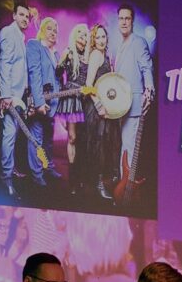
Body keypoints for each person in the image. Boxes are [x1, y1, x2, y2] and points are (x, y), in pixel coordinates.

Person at [114, 4, 155, 190]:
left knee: (129, 148)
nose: (124, 22)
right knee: (124, 146)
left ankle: (126, 192)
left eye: (127, 18)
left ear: (132, 21)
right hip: (120, 105)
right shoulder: (120, 46)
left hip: (135, 104)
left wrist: (149, 91)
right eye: (121, 18)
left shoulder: (138, 42)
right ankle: (123, 186)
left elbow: (147, 68)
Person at [84, 24, 121, 200]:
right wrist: (99, 105)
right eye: (97, 37)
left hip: (106, 108)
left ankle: (103, 180)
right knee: (98, 145)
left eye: (103, 37)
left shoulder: (106, 55)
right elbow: (88, 85)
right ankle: (98, 184)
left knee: (106, 144)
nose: (101, 40)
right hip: (96, 108)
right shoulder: (96, 55)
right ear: (93, 40)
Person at [0, 2, 31, 199]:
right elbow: (5, 63)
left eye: (27, 16)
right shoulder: (8, 33)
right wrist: (6, 94)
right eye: (21, 15)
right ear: (14, 16)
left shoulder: (20, 36)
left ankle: (11, 168)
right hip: (10, 95)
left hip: (19, 95)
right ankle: (6, 177)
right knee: (9, 134)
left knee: (14, 133)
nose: (25, 19)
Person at [26, 17, 62, 187]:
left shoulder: (56, 53)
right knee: (36, 139)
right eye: (49, 29)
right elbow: (34, 74)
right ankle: (37, 174)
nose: (53, 32)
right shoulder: (34, 45)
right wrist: (39, 102)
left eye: (55, 30)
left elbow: (57, 80)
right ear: (42, 29)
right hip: (40, 103)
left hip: (53, 104)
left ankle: (48, 168)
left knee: (48, 140)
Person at [56, 23, 90, 194]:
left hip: (86, 99)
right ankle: (73, 178)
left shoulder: (89, 55)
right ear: (74, 35)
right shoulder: (69, 52)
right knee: (72, 137)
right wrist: (62, 62)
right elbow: (57, 74)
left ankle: (82, 176)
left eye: (85, 34)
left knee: (83, 139)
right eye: (80, 33)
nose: (83, 36)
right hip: (71, 97)